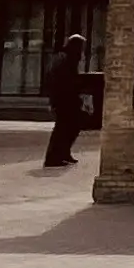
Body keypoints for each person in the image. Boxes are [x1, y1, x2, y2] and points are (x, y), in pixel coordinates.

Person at [40, 31, 96, 172]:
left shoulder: (66, 58)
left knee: (70, 127)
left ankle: (63, 153)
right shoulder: (65, 59)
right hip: (64, 99)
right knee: (63, 128)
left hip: (66, 99)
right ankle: (54, 157)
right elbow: (64, 81)